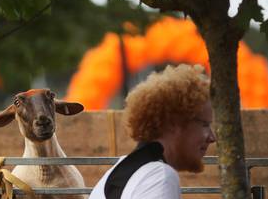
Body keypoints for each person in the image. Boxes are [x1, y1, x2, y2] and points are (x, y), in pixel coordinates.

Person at [89, 64, 216, 199]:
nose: (213, 137)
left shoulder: (121, 169)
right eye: (205, 124)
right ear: (174, 123)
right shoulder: (159, 178)